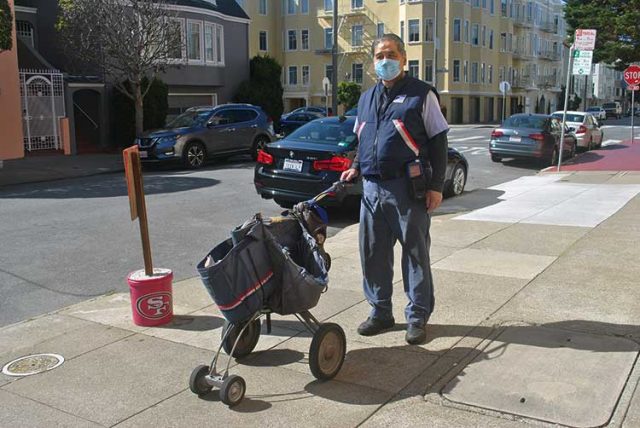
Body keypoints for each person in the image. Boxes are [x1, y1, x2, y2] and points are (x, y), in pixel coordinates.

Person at [340, 33, 449, 345]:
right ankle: (381, 312)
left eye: (390, 54)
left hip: (407, 189)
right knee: (373, 254)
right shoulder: (366, 98)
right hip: (372, 189)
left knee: (415, 254)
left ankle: (417, 316)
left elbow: (439, 140)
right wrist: (355, 166)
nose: (384, 61)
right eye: (379, 56)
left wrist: (436, 186)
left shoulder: (421, 94)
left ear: (403, 58)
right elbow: (361, 140)